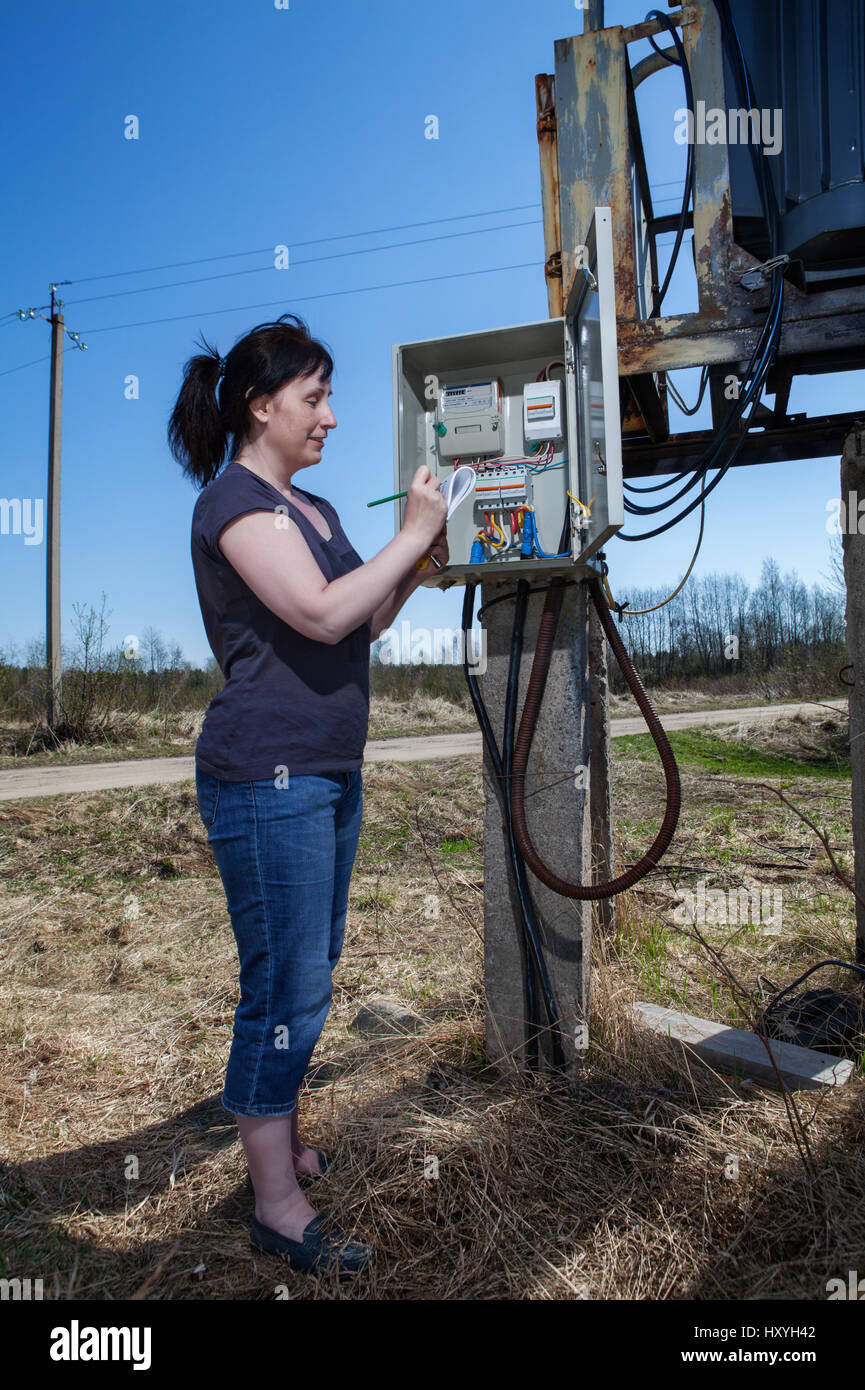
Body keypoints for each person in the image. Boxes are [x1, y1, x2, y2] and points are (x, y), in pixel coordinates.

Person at [167, 313, 448, 1276]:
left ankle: (280, 1147)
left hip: (330, 769)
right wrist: (408, 535)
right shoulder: (235, 505)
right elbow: (324, 613)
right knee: (284, 989)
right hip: (264, 776)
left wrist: (413, 566)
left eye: (329, 395)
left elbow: (358, 627)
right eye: (315, 396)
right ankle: (276, 1202)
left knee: (312, 967)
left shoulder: (318, 513)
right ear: (262, 406)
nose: (331, 414)